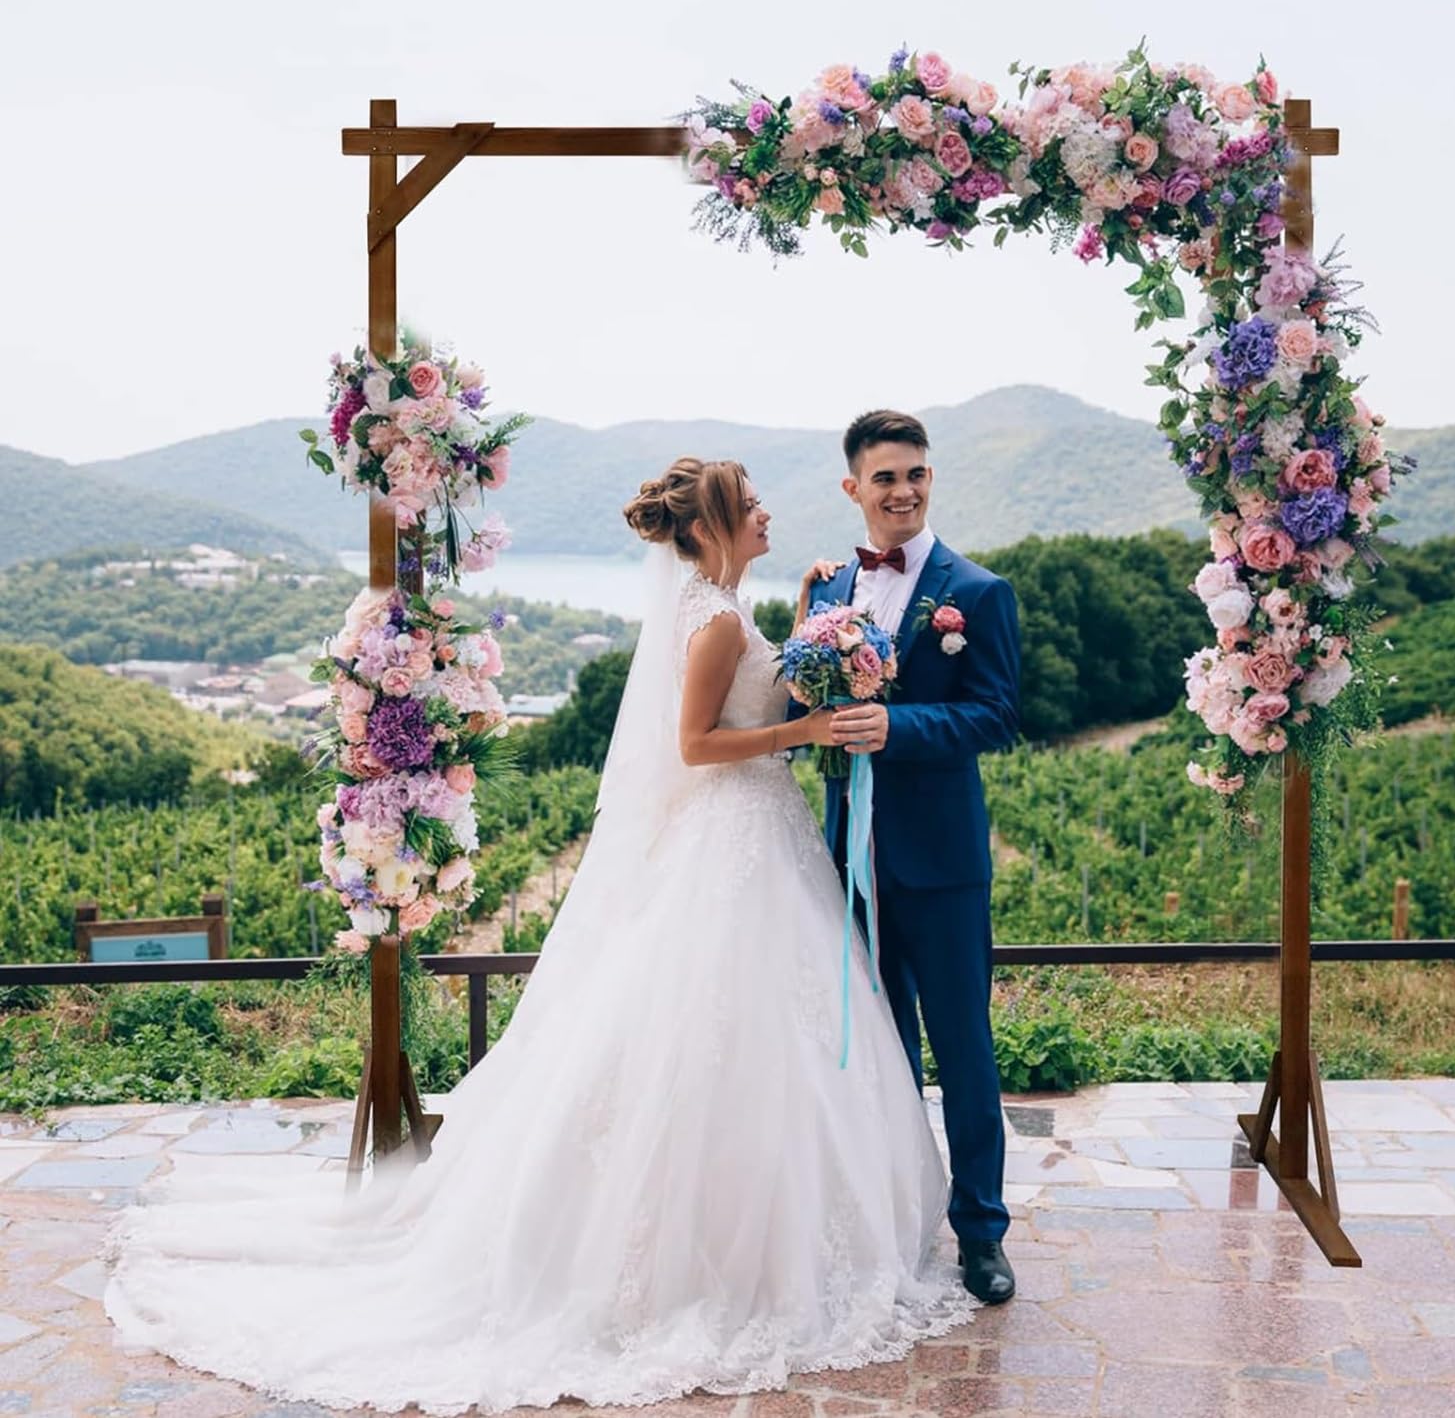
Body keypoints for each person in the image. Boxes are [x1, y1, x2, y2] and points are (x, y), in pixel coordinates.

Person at [104, 456, 974, 1415]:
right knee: (731, 1038)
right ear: (720, 522)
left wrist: (809, 630)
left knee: (751, 1045)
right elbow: (695, 746)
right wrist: (799, 736)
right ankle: (720, 1265)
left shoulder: (718, 602)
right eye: (755, 503)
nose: (770, 512)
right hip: (736, 838)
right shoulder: (716, 618)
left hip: (756, 842)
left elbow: (739, 697)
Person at [803, 411, 1022, 1305]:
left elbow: (996, 715)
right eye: (886, 477)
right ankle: (889, 1222)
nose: (904, 491)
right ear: (854, 487)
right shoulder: (822, 593)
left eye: (917, 475)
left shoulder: (980, 590)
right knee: (875, 1052)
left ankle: (982, 1234)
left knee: (964, 1050)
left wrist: (899, 724)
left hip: (941, 859)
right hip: (846, 859)